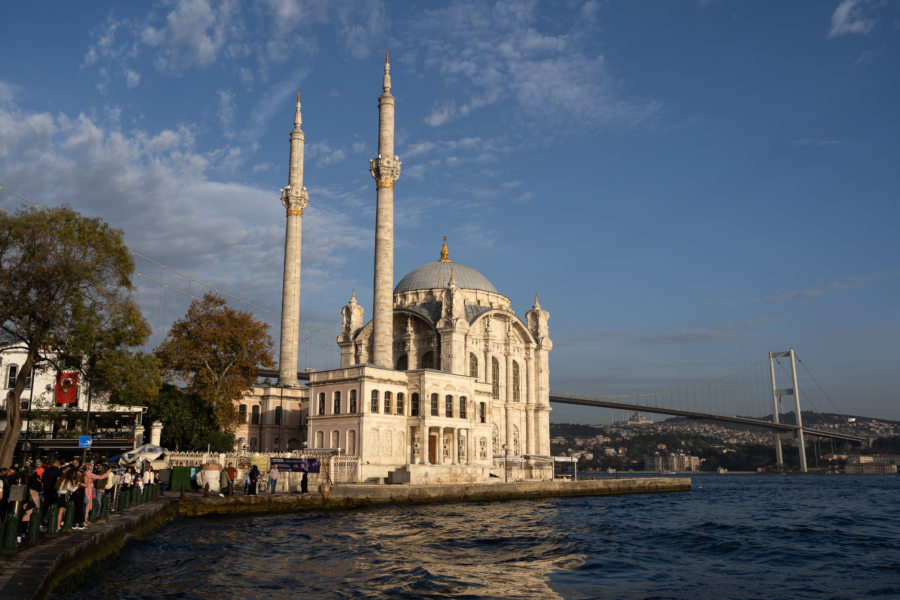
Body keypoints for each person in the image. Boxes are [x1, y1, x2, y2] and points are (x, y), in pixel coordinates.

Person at [41, 457, 63, 526]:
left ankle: (41, 521)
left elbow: (42, 481)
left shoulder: (46, 470)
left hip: (46, 490)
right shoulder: (58, 471)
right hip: (54, 491)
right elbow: (60, 481)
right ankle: (52, 522)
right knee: (54, 507)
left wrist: (43, 489)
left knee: (45, 507)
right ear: (57, 463)